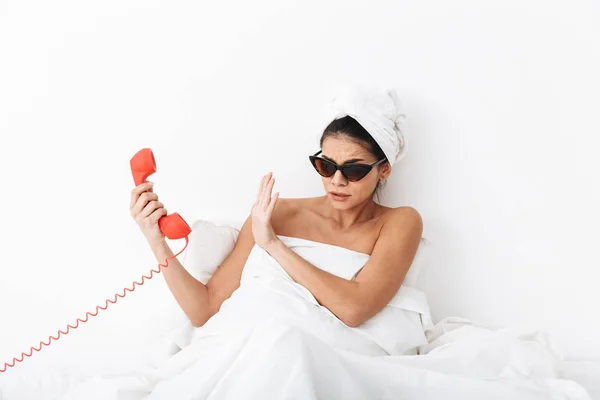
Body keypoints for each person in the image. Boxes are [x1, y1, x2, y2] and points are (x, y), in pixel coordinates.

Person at [129, 93, 423, 331]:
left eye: (354, 169)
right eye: (326, 165)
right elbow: (205, 310)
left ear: (384, 170)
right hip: (262, 341)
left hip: (323, 350)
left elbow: (353, 310)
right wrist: (156, 240)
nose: (337, 181)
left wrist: (273, 245)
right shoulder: (275, 213)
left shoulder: (399, 222)